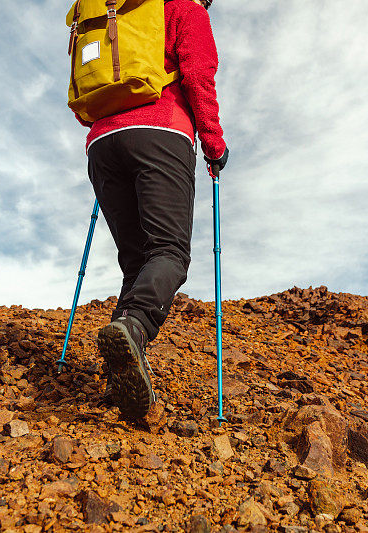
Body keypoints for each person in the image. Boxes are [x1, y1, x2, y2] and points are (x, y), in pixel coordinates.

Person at [73, 0, 229, 419]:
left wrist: (113, 129)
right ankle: (136, 326)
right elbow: (198, 76)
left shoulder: (118, 11)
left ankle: (120, 370)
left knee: (137, 262)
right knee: (169, 253)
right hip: (160, 133)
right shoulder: (185, 9)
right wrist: (214, 144)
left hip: (101, 143)